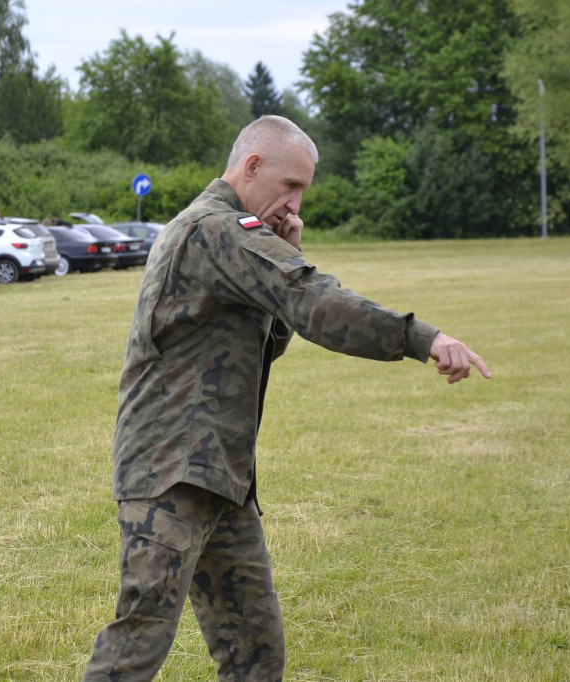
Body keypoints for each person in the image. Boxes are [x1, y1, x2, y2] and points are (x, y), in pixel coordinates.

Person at [81, 115, 490, 680]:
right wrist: (422, 338)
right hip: (170, 472)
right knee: (139, 639)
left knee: (255, 651)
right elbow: (314, 302)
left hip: (220, 476)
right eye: (290, 186)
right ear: (252, 167)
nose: (295, 204)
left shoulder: (234, 233)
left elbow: (268, 341)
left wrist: (280, 255)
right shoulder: (216, 230)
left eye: (303, 191)